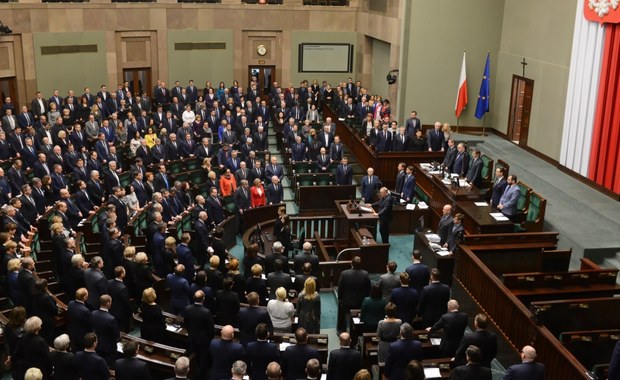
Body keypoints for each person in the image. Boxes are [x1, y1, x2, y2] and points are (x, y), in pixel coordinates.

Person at [183, 290, 214, 380]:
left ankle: (192, 373)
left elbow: (186, 323)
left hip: (192, 337)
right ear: (203, 299)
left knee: (192, 357)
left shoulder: (188, 308)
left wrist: (190, 332)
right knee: (203, 358)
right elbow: (210, 329)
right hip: (203, 340)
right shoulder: (206, 312)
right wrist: (209, 338)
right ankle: (201, 376)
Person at [337, 256, 371, 333]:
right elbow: (369, 288)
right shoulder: (365, 274)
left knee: (344, 316)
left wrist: (340, 298)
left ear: (351, 263)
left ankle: (342, 331)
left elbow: (340, 287)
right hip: (361, 302)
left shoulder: (345, 273)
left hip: (347, 301)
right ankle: (358, 332)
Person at [91, 294, 120, 367]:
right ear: (108, 303)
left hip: (97, 343)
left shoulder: (93, 313)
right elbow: (116, 334)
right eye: (111, 302)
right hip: (109, 347)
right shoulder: (111, 319)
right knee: (109, 366)